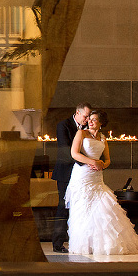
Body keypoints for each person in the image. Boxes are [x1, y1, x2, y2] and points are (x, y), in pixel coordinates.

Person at [65, 110, 138, 255]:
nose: (90, 121)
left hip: (97, 177)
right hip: (82, 175)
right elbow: (74, 153)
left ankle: (106, 244)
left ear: (101, 123)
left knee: (104, 206)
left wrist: (103, 164)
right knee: (83, 208)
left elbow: (108, 159)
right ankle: (84, 245)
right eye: (90, 119)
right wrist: (93, 162)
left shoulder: (103, 138)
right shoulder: (81, 134)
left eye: (94, 119)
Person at [51, 102, 92, 253]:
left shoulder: (89, 128)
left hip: (83, 174)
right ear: (77, 113)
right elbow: (65, 150)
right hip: (65, 173)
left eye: (89, 116)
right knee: (63, 206)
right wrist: (87, 163)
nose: (87, 119)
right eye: (85, 116)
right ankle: (58, 243)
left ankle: (81, 242)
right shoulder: (63, 125)